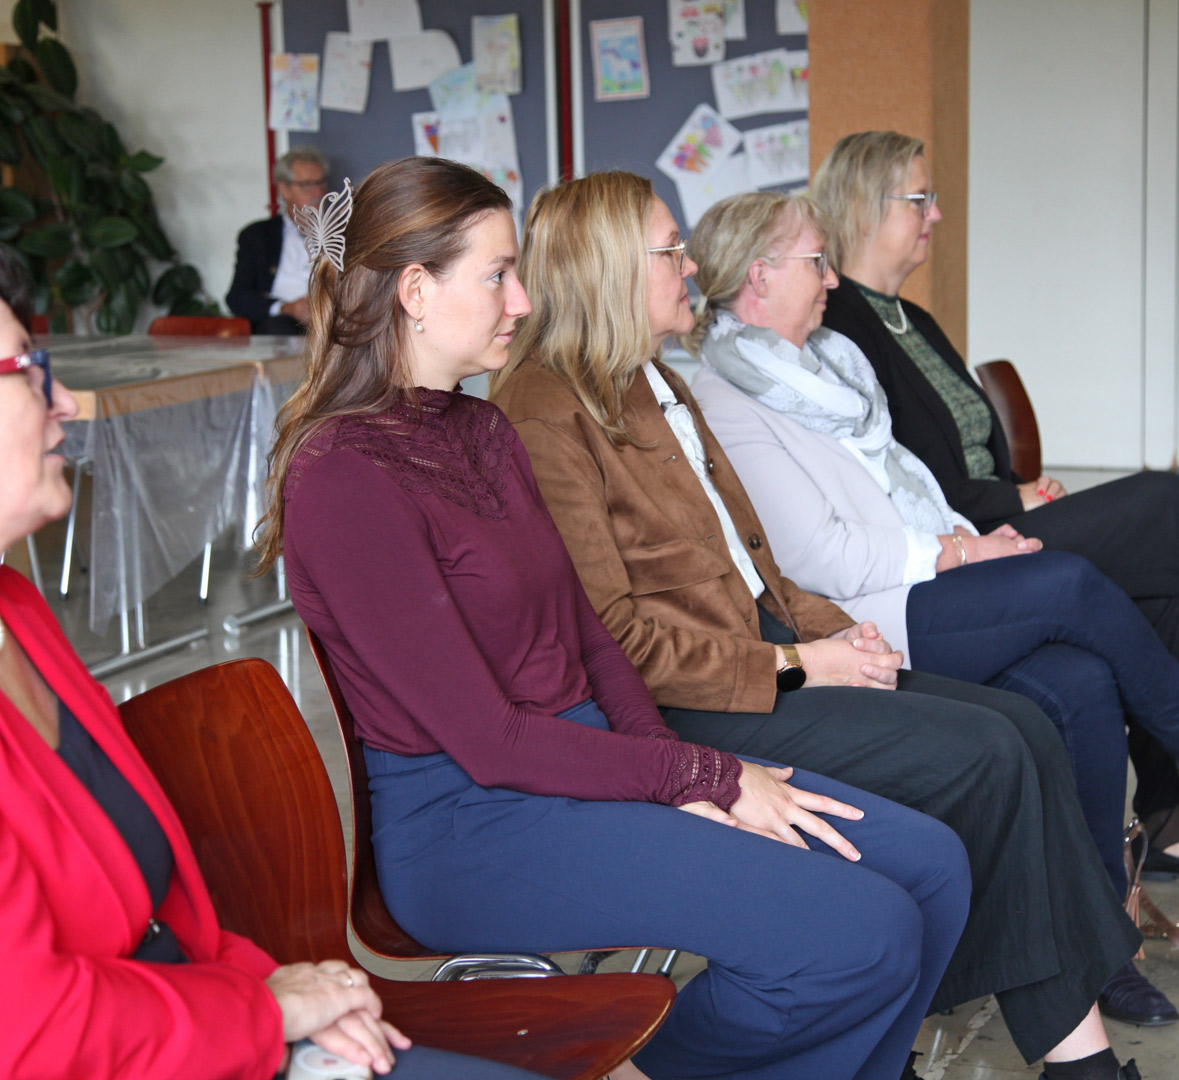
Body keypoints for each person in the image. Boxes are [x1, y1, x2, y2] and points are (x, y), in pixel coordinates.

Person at [0, 240, 540, 1080]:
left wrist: (272, 988)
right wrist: (270, 1012)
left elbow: (159, 913)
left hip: (160, 1037)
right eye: (28, 373)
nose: (64, 402)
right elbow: (25, 1037)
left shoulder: (3, 605)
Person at [264, 156, 971, 1080]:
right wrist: (704, 773)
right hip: (474, 825)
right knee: (861, 934)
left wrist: (676, 776)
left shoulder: (482, 429)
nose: (523, 301)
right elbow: (489, 742)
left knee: (930, 865)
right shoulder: (342, 478)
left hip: (585, 766)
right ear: (414, 292)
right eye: (497, 275)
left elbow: (593, 639)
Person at [492, 171, 1177, 1080]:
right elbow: (616, 639)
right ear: (610, 268)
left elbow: (759, 567)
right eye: (670, 250)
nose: (690, 266)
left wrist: (840, 636)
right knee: (990, 752)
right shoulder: (546, 411)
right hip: (696, 703)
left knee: (1023, 724)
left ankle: (1049, 1046)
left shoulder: (655, 381)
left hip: (763, 660)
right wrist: (796, 662)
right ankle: (1064, 1055)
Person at [682, 190, 1179, 1025]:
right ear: (759, 275)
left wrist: (971, 537)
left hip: (924, 573)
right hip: (866, 615)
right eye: (816, 262)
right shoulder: (727, 398)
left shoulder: (828, 366)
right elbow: (817, 556)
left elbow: (904, 490)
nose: (830, 280)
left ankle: (1101, 941)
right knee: (1069, 583)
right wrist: (962, 552)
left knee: (1080, 679)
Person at [811, 129, 1179, 886]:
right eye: (920, 199)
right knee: (1165, 500)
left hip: (998, 511)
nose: (936, 214)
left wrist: (1020, 487)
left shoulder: (913, 319)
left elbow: (965, 447)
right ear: (865, 206)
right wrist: (1012, 496)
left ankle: (1171, 825)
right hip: (964, 538)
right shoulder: (843, 326)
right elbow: (900, 478)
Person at [228, 145, 331, 334]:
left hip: (333, 319)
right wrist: (286, 308)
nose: (318, 193)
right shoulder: (257, 236)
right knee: (279, 329)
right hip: (283, 324)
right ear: (284, 190)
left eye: (321, 183)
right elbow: (238, 298)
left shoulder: (345, 233)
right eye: (307, 185)